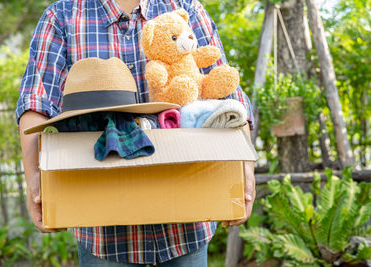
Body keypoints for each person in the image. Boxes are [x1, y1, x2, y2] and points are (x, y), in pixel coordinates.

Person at [16, 0, 256, 266]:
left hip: (186, 231)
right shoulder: (62, 16)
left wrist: (244, 171)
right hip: (104, 237)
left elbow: (229, 100)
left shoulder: (186, 7)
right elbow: (36, 103)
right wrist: (35, 181)